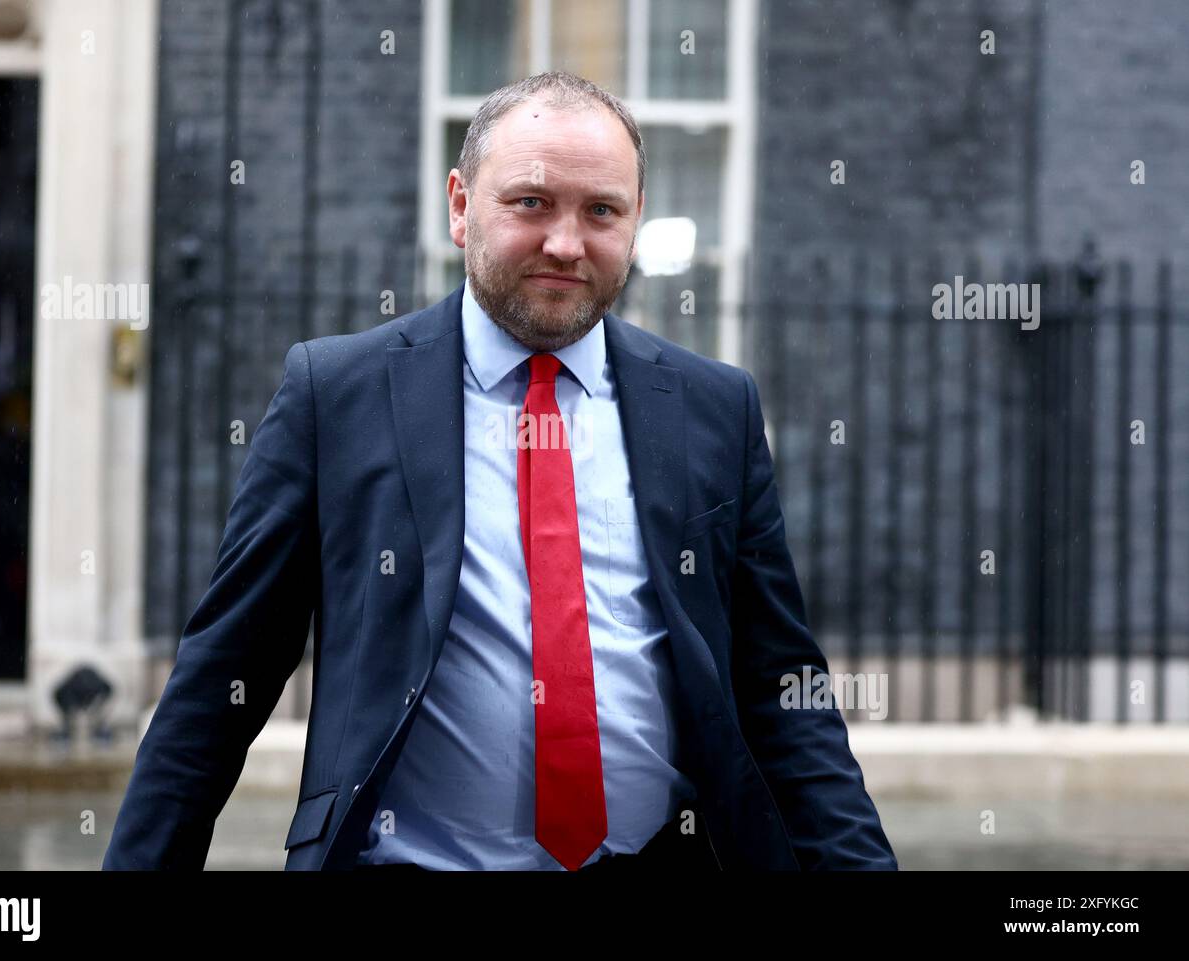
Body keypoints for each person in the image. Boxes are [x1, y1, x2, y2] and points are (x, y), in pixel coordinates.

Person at [103, 70, 897, 872]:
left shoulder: (713, 407)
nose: (565, 242)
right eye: (531, 203)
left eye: (601, 211)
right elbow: (220, 680)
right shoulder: (335, 395)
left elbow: (783, 692)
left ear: (635, 221)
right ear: (459, 204)